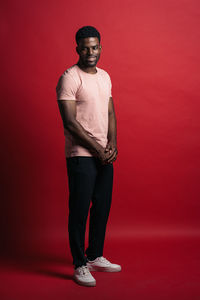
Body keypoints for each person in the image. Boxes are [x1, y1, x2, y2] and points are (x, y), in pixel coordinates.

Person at [56, 25, 121, 287]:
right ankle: (80, 264)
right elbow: (70, 122)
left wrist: (112, 143)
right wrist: (97, 148)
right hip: (81, 154)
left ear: (100, 48)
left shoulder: (105, 77)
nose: (90, 52)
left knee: (102, 207)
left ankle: (94, 255)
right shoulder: (70, 78)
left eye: (94, 47)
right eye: (85, 48)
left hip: (103, 153)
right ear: (77, 49)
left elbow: (110, 114)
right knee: (80, 210)